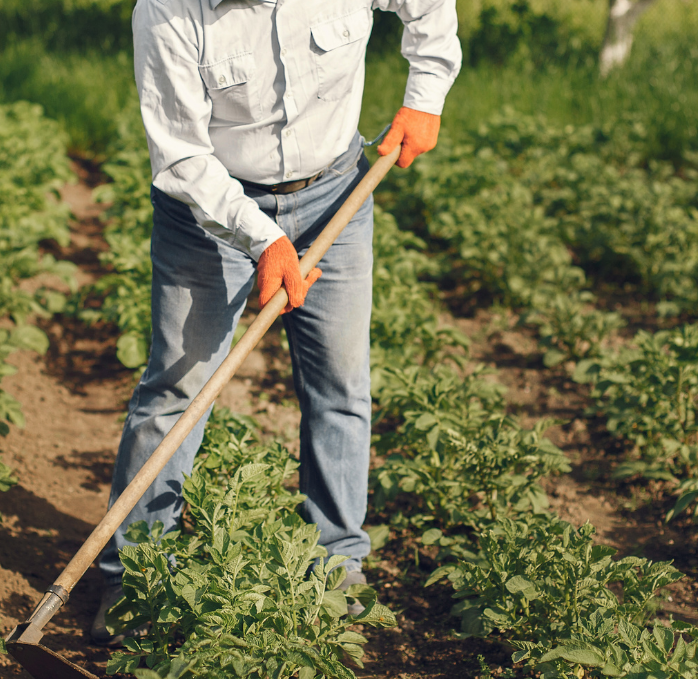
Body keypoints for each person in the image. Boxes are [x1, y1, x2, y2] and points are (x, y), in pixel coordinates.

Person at [92, 0, 461, 645]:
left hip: (334, 192)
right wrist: (263, 241)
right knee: (178, 390)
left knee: (341, 387)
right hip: (208, 211)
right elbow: (181, 156)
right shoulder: (167, 9)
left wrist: (425, 95)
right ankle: (136, 575)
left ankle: (339, 560)